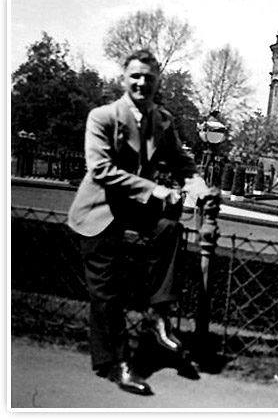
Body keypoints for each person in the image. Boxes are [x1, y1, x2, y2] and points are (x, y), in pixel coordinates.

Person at [67, 49, 210, 396]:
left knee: (170, 229)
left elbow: (182, 163)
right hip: (99, 209)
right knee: (107, 293)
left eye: (149, 77)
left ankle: (157, 317)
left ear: (157, 81)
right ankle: (118, 363)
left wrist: (200, 187)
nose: (142, 82)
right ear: (124, 79)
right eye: (136, 76)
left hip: (134, 207)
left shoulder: (162, 120)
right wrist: (157, 190)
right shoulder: (102, 117)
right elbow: (100, 171)